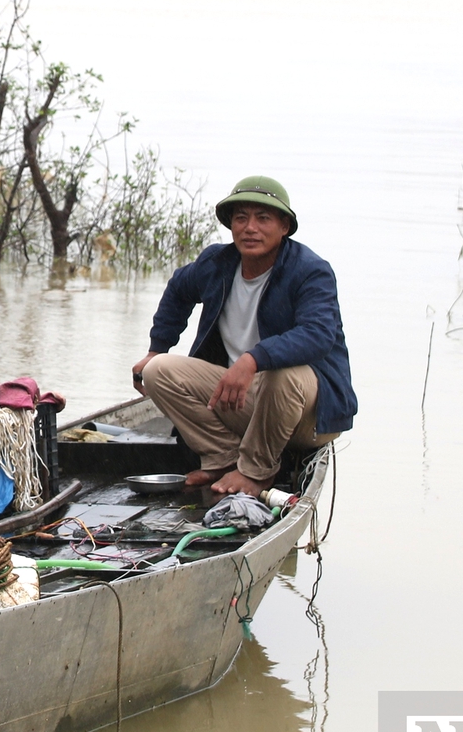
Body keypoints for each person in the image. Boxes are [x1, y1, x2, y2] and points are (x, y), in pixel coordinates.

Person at [130, 175, 356, 496]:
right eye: (241, 218)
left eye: (263, 218)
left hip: (308, 417)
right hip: (245, 402)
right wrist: (157, 348)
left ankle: (255, 470)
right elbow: (179, 289)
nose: (250, 228)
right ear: (231, 225)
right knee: (158, 371)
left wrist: (253, 360)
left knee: (281, 374)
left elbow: (317, 335)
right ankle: (223, 457)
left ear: (284, 227)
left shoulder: (310, 271)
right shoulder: (217, 264)